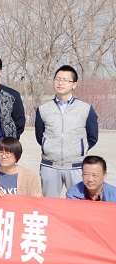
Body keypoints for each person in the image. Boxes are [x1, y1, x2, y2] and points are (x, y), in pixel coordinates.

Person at [35, 65, 99, 198]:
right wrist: (49, 147)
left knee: (78, 204)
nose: (60, 83)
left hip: (76, 166)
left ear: (74, 84)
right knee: (50, 205)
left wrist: (79, 149)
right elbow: (39, 136)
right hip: (50, 166)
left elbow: (92, 136)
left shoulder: (85, 109)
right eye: (57, 79)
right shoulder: (43, 109)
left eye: (65, 80)